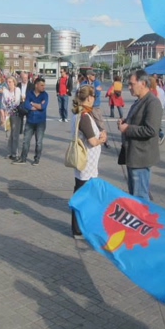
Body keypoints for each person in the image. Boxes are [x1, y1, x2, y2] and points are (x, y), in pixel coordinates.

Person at [117, 70, 163, 200]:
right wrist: (125, 122)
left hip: (141, 157)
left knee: (140, 196)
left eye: (132, 84)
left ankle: (144, 219)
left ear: (142, 83)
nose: (129, 87)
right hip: (133, 155)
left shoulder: (152, 103)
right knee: (135, 195)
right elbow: (137, 121)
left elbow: (151, 130)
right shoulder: (139, 101)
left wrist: (127, 128)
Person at [70, 85, 106, 238]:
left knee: (82, 193)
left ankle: (80, 227)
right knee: (83, 195)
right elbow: (92, 141)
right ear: (89, 98)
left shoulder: (79, 113)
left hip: (85, 162)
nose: (94, 100)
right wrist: (102, 139)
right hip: (87, 162)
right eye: (94, 97)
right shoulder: (84, 116)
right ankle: (78, 228)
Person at [14, 77, 49, 165]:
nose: (43, 87)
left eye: (44, 85)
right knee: (26, 141)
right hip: (30, 121)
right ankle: (23, 158)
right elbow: (26, 105)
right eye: (41, 85)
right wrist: (36, 106)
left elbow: (42, 107)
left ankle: (37, 159)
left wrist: (33, 104)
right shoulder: (29, 94)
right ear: (36, 85)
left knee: (39, 142)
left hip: (40, 122)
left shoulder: (45, 95)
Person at [2, 76, 23, 161]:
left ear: (14, 82)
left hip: (15, 114)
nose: (9, 83)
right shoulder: (5, 91)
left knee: (15, 134)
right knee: (8, 134)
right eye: (8, 82)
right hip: (7, 115)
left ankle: (15, 153)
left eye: (10, 82)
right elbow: (3, 102)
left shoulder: (17, 90)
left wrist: (9, 110)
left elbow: (17, 101)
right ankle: (9, 152)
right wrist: (5, 112)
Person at [149, 76, 165, 145]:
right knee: (156, 124)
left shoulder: (152, 91)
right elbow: (164, 102)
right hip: (160, 109)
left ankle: (160, 134)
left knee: (153, 124)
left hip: (153, 109)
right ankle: (158, 135)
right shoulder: (161, 91)